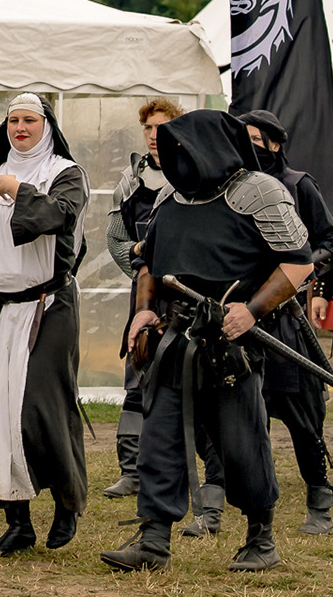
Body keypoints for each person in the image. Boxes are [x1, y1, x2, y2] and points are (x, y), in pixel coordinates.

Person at [103, 110, 311, 572]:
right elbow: (149, 266)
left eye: (182, 145)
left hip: (231, 343)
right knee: (161, 437)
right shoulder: (170, 199)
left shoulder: (260, 192)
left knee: (241, 443)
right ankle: (153, 539)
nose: (174, 154)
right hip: (175, 339)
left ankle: (261, 537)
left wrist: (251, 310)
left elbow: (299, 264)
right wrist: (143, 310)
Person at [0, 94, 90, 557]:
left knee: (37, 410)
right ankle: (18, 521)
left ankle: (67, 502)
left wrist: (19, 191)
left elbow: (58, 217)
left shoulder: (66, 174)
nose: (20, 127)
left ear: (46, 125)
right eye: (12, 121)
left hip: (46, 306)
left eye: (30, 119)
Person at [241, 108, 333, 536]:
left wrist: (300, 268)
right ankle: (240, 500)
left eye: (254, 139)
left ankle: (319, 495)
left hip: (286, 320)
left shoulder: (299, 185)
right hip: (240, 321)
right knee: (245, 417)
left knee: (303, 416)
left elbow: (331, 241)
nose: (247, 147)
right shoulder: (232, 188)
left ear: (275, 143)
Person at [102, 96, 183, 500]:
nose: (154, 136)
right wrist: (138, 259)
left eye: (162, 128)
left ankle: (193, 474)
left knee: (186, 382)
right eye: (148, 128)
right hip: (145, 293)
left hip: (186, 294)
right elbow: (117, 239)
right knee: (136, 378)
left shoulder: (191, 174)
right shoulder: (130, 181)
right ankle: (131, 470)